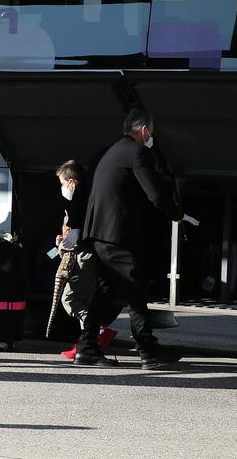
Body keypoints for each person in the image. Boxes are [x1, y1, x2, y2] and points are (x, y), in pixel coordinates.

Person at [75, 108, 197, 369]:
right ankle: (147, 351)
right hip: (116, 234)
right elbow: (153, 192)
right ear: (143, 130)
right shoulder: (138, 152)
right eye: (151, 132)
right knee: (136, 288)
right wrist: (177, 214)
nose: (151, 137)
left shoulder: (105, 151)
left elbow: (83, 191)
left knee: (104, 291)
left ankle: (87, 349)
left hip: (98, 232)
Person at [53, 159, 117, 360]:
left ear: (72, 182)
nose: (62, 188)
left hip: (82, 258)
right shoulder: (86, 200)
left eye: (63, 183)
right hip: (85, 256)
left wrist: (58, 247)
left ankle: (96, 333)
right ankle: (87, 340)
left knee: (69, 299)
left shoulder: (77, 205)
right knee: (83, 299)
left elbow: (73, 239)